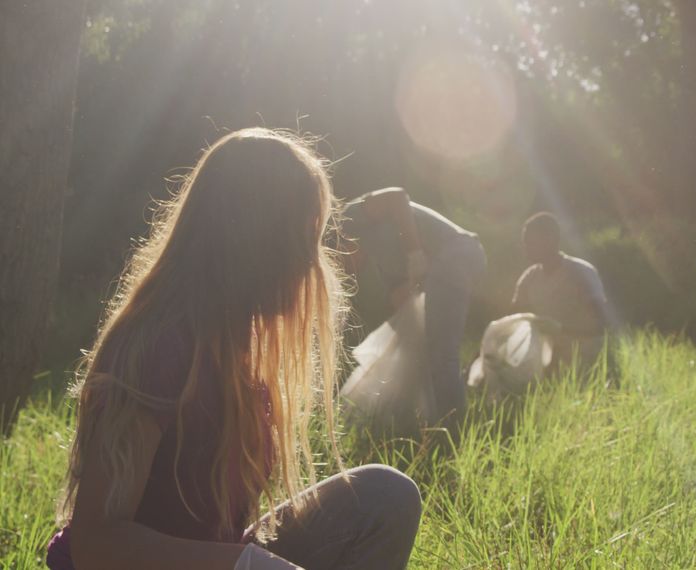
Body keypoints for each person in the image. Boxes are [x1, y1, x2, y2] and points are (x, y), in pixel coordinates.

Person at [46, 129, 422, 570]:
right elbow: (97, 545)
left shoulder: (237, 343)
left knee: (384, 498)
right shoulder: (157, 348)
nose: (312, 263)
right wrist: (247, 565)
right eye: (299, 237)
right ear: (248, 239)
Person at [341, 188, 486, 432]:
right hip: (442, 265)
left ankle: (453, 430)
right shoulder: (381, 261)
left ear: (338, 245)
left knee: (442, 352)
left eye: (344, 264)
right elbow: (400, 298)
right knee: (425, 351)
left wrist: (415, 253)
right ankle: (428, 421)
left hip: (456, 251)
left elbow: (397, 196)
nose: (350, 271)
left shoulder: (351, 217)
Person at [511, 212, 614, 373]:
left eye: (531, 242)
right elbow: (512, 321)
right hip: (547, 354)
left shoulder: (581, 272)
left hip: (583, 355)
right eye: (525, 242)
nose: (526, 247)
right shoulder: (529, 277)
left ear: (550, 240)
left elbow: (601, 325)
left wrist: (561, 329)